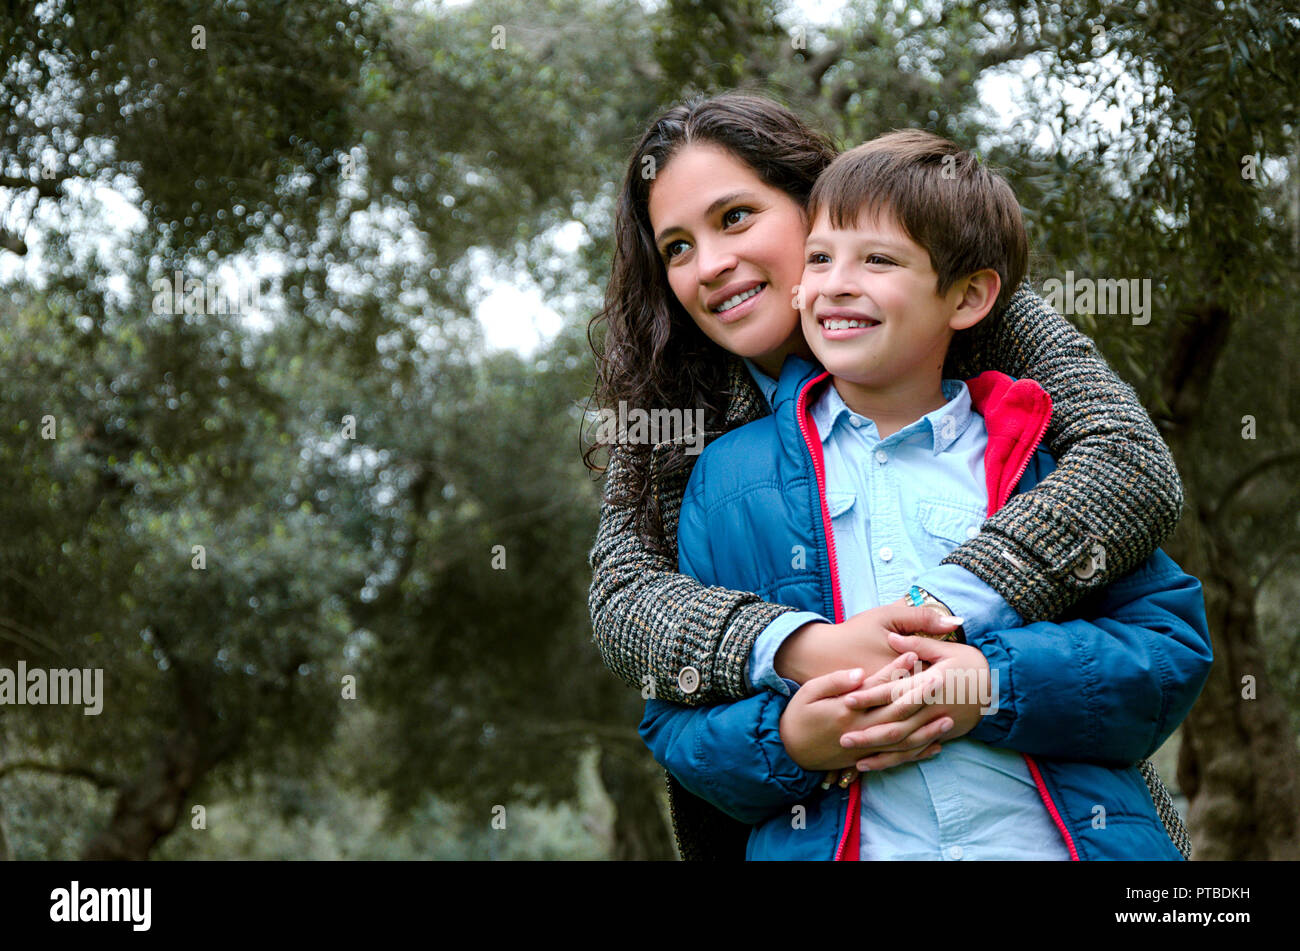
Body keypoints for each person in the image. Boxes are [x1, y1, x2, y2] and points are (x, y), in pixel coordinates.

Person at [585, 91, 1192, 859]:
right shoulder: (678, 407)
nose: (710, 265)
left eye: (736, 217)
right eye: (676, 246)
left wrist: (940, 611)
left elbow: (1129, 464)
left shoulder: (971, 307)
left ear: (817, 203)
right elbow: (624, 596)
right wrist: (801, 648)